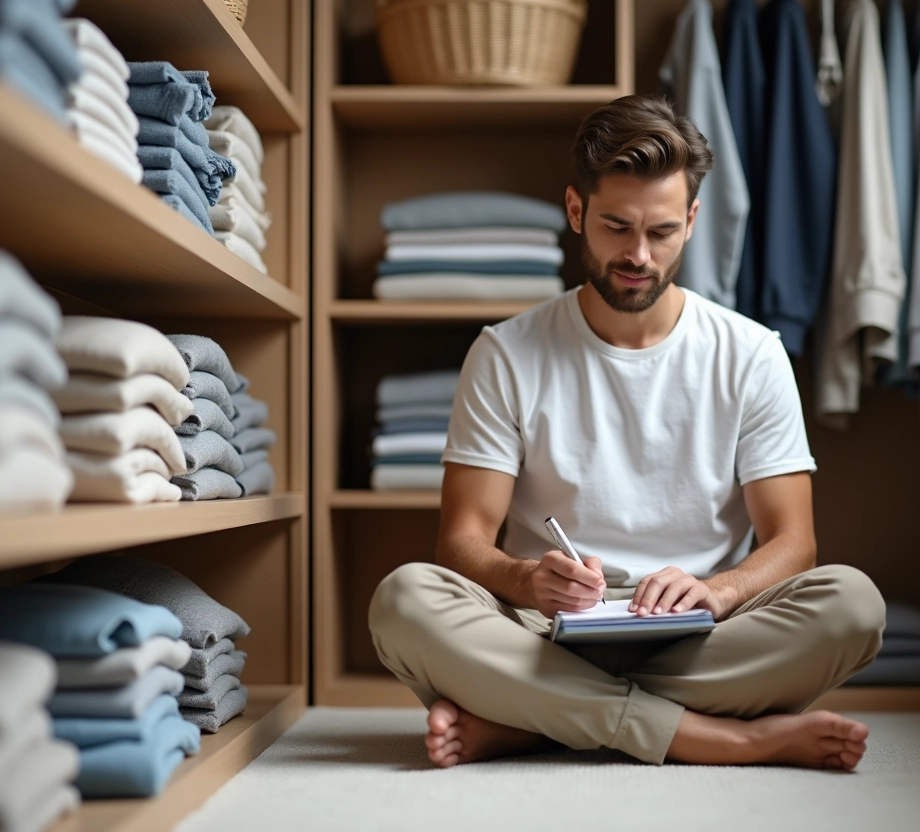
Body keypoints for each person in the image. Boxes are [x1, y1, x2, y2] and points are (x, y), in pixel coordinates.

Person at [369, 94, 886, 771]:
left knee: (852, 606)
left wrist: (721, 591)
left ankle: (533, 721)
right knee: (404, 601)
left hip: (701, 632)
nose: (638, 254)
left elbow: (795, 542)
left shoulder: (752, 353)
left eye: (663, 232)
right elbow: (461, 541)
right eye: (616, 226)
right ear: (576, 211)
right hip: (544, 630)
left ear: (693, 222)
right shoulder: (505, 352)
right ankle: (715, 738)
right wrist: (526, 580)